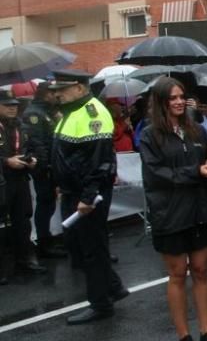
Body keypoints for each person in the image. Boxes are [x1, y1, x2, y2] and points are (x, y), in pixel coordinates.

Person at [139, 78, 207, 341]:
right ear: (161, 101)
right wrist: (196, 173)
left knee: (201, 271)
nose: (177, 102)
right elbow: (156, 174)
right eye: (171, 98)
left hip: (200, 210)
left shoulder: (197, 130)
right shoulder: (150, 136)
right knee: (177, 275)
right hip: (170, 214)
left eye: (181, 97)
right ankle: (184, 336)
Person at [49, 70, 128, 324]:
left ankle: (101, 304)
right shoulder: (72, 111)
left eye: (63, 88)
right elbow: (67, 155)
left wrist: (88, 195)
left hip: (87, 194)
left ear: (81, 88)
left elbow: (99, 160)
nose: (57, 93)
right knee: (86, 245)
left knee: (89, 249)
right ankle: (114, 287)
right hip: (75, 191)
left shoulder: (93, 112)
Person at [0, 90, 46, 278]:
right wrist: (5, 161)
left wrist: (33, 159)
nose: (13, 108)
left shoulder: (22, 126)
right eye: (8, 105)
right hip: (2, 181)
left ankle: (25, 260)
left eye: (14, 105)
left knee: (23, 221)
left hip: (19, 179)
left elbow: (34, 147)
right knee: (1, 225)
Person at [21, 83, 67, 261]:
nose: (55, 95)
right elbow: (38, 143)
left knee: (49, 205)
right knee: (45, 204)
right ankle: (44, 244)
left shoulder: (48, 112)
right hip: (44, 168)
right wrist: (46, 166)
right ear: (44, 94)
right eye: (52, 92)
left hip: (52, 165)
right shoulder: (34, 114)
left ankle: (48, 241)